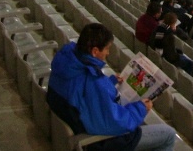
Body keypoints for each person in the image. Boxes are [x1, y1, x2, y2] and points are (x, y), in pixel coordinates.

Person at [46, 23, 176, 151]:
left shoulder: (67, 63)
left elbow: (81, 92)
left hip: (76, 123)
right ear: (95, 51)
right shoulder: (93, 81)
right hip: (98, 141)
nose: (108, 53)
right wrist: (140, 108)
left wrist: (110, 81)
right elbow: (114, 122)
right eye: (107, 49)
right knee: (168, 134)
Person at [149, 12, 193, 77]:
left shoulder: (158, 28)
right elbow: (171, 55)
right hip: (168, 58)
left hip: (161, 53)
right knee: (191, 64)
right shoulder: (169, 35)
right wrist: (178, 55)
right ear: (173, 23)